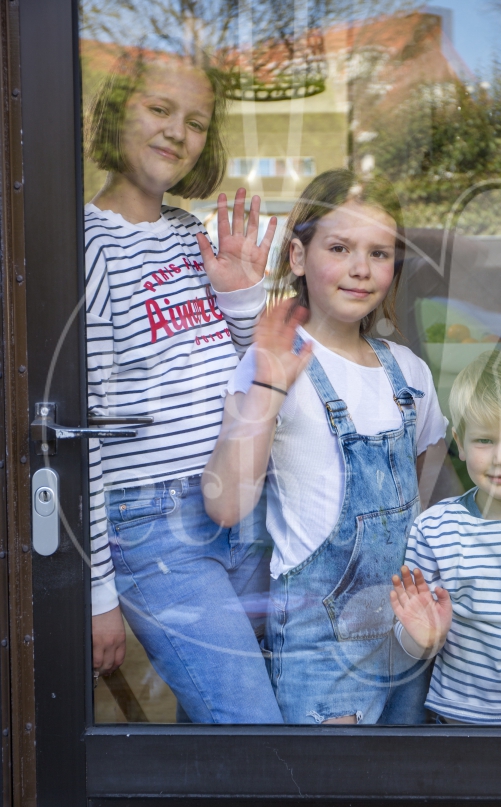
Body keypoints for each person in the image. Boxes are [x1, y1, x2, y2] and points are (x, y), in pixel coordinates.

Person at [202, 168, 448, 724]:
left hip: (410, 635)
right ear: (297, 256)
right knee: (335, 781)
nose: (361, 269)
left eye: (379, 254)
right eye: (339, 248)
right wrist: (268, 389)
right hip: (321, 653)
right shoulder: (272, 362)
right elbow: (225, 504)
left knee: (403, 775)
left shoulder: (408, 372)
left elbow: (421, 498)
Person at [85, 50, 285, 723]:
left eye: (196, 122)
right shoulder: (88, 246)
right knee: (251, 724)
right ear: (118, 114)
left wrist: (242, 296)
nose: (177, 131)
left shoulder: (188, 234)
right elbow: (80, 432)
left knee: (237, 713)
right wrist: (98, 596)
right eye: (159, 109)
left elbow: (247, 368)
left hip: (238, 503)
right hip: (155, 528)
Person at [390, 348, 501, 724]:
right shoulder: (434, 529)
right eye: (485, 441)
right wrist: (423, 639)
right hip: (457, 726)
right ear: (460, 442)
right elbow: (412, 636)